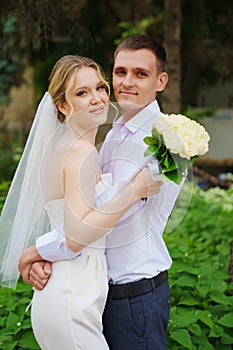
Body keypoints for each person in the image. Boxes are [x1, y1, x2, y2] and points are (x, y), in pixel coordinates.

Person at [19, 35, 184, 349]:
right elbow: (83, 216)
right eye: (120, 72)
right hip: (96, 290)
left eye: (141, 73)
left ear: (161, 81)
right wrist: (48, 255)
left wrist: (36, 251)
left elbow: (92, 222)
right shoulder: (111, 135)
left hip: (134, 294)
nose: (127, 82)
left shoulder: (166, 142)